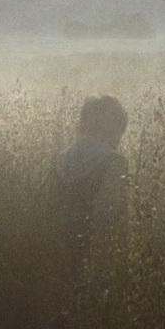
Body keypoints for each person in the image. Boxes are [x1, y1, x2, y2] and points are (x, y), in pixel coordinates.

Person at [54, 95, 129, 271]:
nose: (119, 140)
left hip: (59, 255)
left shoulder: (60, 160)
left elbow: (50, 209)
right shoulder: (114, 162)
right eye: (120, 131)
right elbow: (107, 215)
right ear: (113, 128)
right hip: (96, 258)